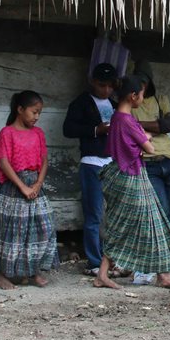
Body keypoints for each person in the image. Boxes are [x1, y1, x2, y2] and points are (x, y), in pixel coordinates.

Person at [94, 76, 170, 290]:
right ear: (133, 95)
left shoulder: (117, 117)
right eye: (142, 94)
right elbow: (150, 149)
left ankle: (158, 274)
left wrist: (142, 136)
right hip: (132, 176)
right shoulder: (128, 120)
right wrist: (146, 136)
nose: (143, 98)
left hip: (122, 174)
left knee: (125, 224)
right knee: (147, 223)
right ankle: (161, 275)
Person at [0, 91, 58, 290]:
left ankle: (33, 271)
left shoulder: (38, 133)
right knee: (12, 231)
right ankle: (2, 274)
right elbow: (3, 162)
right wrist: (22, 187)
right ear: (20, 110)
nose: (36, 117)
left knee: (41, 228)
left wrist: (37, 184)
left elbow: (44, 160)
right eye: (34, 112)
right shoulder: (6, 133)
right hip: (13, 187)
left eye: (39, 113)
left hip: (35, 185)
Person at [63, 63, 118, 276]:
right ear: (93, 81)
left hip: (112, 163)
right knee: (94, 214)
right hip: (92, 162)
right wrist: (96, 129)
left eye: (110, 86)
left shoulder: (114, 104)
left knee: (114, 215)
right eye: (102, 85)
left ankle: (113, 260)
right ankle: (94, 262)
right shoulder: (81, 103)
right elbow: (68, 129)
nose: (106, 90)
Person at [131, 61, 170, 225]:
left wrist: (138, 124)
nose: (142, 86)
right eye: (139, 82)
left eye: (144, 82)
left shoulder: (160, 100)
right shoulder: (130, 104)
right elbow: (130, 130)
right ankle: (165, 249)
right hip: (148, 162)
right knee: (163, 210)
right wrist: (157, 125)